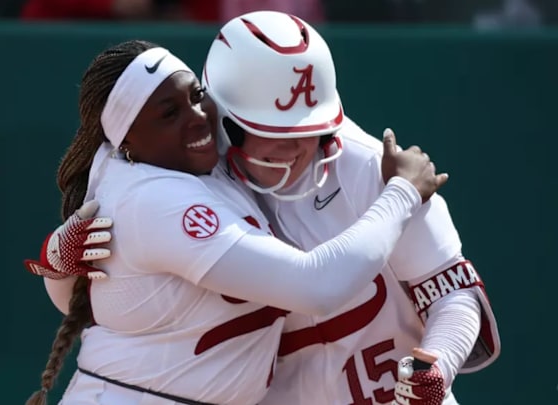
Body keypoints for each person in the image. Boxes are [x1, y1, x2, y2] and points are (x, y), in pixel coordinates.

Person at [22, 39, 447, 405]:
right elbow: (317, 287)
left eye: (195, 95)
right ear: (127, 139)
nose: (196, 117)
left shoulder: (199, 163)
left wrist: (56, 264)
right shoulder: (158, 199)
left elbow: (99, 304)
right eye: (168, 114)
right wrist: (404, 193)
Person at [200, 11, 501, 405]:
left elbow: (453, 294)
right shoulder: (189, 190)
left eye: (310, 128)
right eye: (274, 130)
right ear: (223, 120)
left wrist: (435, 369)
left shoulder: (376, 166)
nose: (298, 148)